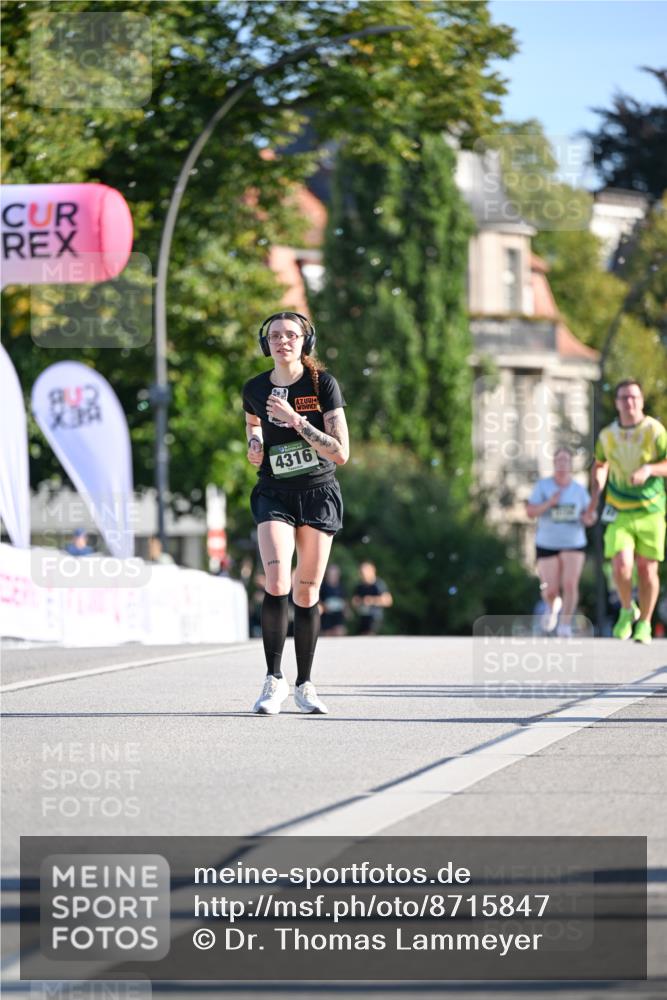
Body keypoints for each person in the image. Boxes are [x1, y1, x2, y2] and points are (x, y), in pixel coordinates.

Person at [242, 311, 349, 714]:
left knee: (307, 592)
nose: (282, 341)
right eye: (274, 335)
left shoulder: (323, 385)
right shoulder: (254, 388)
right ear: (265, 343)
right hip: (274, 492)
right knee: (275, 581)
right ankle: (274, 680)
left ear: (306, 341)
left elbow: (341, 452)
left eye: (291, 335)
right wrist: (254, 444)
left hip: (318, 492)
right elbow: (253, 424)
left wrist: (295, 421)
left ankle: (305, 683)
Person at [585, 380, 667, 644]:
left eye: (633, 397)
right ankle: (626, 608)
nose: (629, 402)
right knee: (621, 566)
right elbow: (600, 464)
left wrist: (649, 470)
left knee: (647, 570)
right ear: (617, 403)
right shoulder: (607, 436)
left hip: (650, 510)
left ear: (641, 401)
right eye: (624, 398)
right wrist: (596, 489)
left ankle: (644, 622)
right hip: (619, 509)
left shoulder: (654, 431)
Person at [525, 447, 594, 637]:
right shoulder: (543, 487)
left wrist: (588, 518)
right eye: (559, 461)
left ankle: (565, 625)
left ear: (570, 465)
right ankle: (551, 605)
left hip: (574, 542)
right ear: (554, 464)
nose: (562, 465)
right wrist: (549, 503)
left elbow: (590, 515)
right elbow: (530, 512)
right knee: (550, 589)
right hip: (547, 543)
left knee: (570, 584)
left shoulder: (578, 490)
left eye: (566, 461)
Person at [352, 561, 393, 635]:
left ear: (372, 571)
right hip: (363, 616)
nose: (363, 575)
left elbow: (388, 600)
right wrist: (360, 601)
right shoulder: (360, 586)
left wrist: (372, 600)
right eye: (362, 572)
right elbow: (354, 601)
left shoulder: (378, 584)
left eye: (365, 572)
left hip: (375, 617)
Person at [319, 563, 348, 636]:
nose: (333, 576)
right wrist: (323, 606)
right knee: (327, 634)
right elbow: (318, 600)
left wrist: (346, 610)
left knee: (340, 631)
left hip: (338, 616)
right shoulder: (322, 587)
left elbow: (345, 601)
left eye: (335, 574)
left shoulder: (341, 587)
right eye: (331, 574)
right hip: (326, 617)